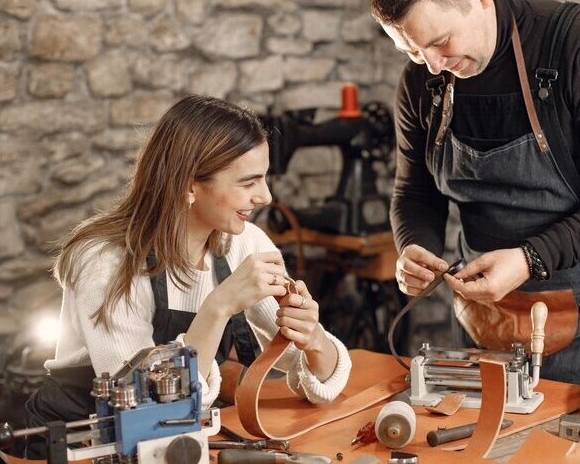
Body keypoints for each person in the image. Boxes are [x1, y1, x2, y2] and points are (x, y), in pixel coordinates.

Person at [369, 0, 580, 408]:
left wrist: (531, 259)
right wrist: (414, 245)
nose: (432, 64)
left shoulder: (578, 47)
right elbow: (415, 192)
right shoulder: (421, 84)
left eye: (440, 42)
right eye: (411, 51)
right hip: (486, 317)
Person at [24, 96, 351, 447]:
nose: (266, 197)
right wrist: (218, 306)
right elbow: (141, 410)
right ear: (189, 184)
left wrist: (312, 339)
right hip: (80, 443)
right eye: (248, 182)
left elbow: (314, 378)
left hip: (174, 438)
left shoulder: (244, 243)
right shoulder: (105, 261)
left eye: (264, 179)